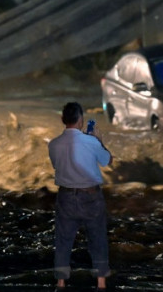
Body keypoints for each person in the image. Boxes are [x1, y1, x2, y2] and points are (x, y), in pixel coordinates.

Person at [48, 102, 112, 291]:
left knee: (63, 240)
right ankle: (101, 282)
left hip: (66, 196)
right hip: (91, 196)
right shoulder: (91, 142)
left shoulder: (53, 144)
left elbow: (56, 165)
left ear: (62, 120)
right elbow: (107, 160)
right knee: (97, 238)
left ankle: (61, 282)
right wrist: (99, 141)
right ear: (81, 120)